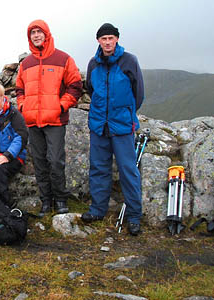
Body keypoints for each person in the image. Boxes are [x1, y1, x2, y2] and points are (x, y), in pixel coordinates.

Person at [82, 23, 145, 236]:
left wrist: (125, 113)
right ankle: (97, 210)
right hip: (99, 125)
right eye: (103, 38)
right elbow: (91, 89)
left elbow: (138, 94)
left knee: (128, 170)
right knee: (98, 168)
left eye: (111, 38)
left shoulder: (129, 61)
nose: (107, 42)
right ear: (98, 41)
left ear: (116, 39)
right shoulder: (93, 64)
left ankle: (134, 216)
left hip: (123, 126)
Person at [15, 19, 83, 217]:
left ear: (46, 34)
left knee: (55, 161)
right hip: (32, 121)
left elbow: (75, 85)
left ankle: (60, 199)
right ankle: (46, 201)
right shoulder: (26, 64)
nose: (36, 36)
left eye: (39, 32)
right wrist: (22, 105)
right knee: (39, 161)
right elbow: (20, 89)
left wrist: (61, 106)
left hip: (55, 120)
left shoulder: (63, 59)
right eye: (32, 33)